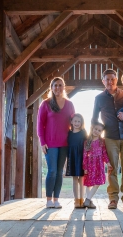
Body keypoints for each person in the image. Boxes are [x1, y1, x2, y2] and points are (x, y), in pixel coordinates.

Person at [92, 69, 123, 209]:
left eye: (112, 78)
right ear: (103, 81)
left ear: (116, 79)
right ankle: (113, 198)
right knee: (112, 169)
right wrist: (94, 136)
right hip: (110, 137)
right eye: (107, 79)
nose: (110, 81)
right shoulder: (99, 98)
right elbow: (94, 118)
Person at [37, 77, 75, 208]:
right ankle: (48, 200)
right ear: (51, 88)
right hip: (50, 143)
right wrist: (42, 142)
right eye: (55, 85)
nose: (58, 88)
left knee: (60, 172)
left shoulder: (69, 104)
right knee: (52, 171)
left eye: (60, 85)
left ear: (63, 87)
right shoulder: (46, 104)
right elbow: (40, 124)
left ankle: (56, 199)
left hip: (65, 143)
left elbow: (74, 123)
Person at [82, 122, 113, 209]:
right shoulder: (87, 141)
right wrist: (85, 167)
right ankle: (88, 201)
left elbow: (104, 153)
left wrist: (108, 163)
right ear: (92, 128)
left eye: (99, 130)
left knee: (98, 182)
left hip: (99, 164)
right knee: (88, 183)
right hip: (89, 165)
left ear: (101, 132)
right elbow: (84, 155)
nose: (96, 131)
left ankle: (87, 199)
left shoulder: (102, 141)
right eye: (95, 129)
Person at [65, 113, 87, 208]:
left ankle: (82, 199)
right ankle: (76, 200)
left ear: (81, 123)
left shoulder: (83, 132)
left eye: (79, 121)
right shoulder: (69, 133)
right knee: (74, 178)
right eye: (75, 121)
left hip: (81, 157)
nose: (77, 123)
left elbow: (87, 145)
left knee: (82, 179)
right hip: (72, 157)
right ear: (71, 122)